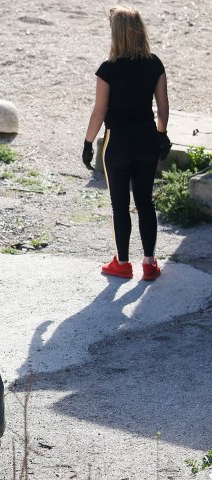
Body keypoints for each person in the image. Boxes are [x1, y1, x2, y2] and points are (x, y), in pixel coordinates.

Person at [83, 6, 170, 281]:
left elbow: (99, 111)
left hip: (117, 142)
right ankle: (149, 263)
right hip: (146, 139)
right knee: (145, 202)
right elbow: (163, 105)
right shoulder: (154, 63)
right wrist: (162, 133)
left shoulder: (108, 69)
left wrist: (87, 143)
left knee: (119, 205)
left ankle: (122, 263)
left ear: (116, 34)